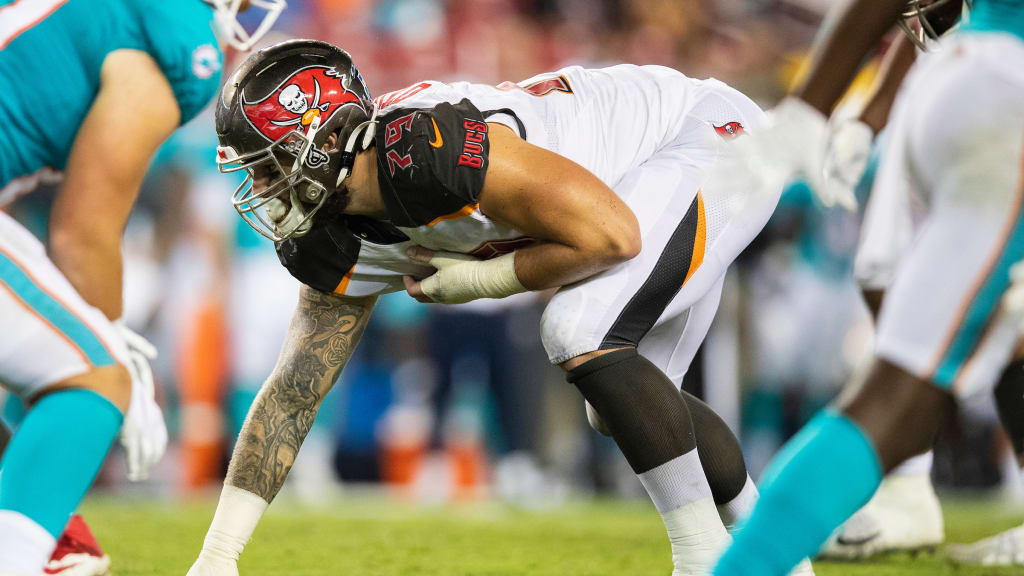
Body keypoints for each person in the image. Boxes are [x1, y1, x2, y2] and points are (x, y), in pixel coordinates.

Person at [187, 39, 813, 576]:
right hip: (636, 183)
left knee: (578, 330)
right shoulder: (331, 234)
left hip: (699, 137)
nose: (261, 188)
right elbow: (293, 393)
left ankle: (701, 558)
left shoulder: (424, 150)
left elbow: (613, 237)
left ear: (322, 140)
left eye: (267, 166)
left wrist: (482, 282)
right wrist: (218, 557)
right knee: (625, 403)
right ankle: (787, 555)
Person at [711, 0, 1024, 573]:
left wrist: (836, 108)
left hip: (956, 75)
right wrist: (813, 106)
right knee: (894, 398)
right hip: (1006, 92)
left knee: (1001, 331)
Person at [0, 1, 283, 574]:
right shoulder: (173, 36)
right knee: (96, 375)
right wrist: (116, 356)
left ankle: (40, 537)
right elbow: (82, 234)